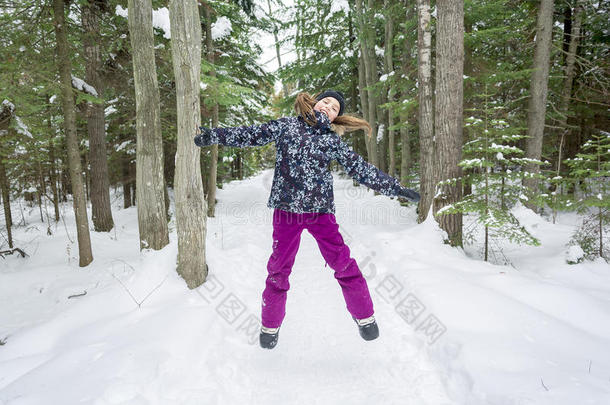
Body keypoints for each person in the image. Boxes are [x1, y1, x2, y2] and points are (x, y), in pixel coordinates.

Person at [194, 90, 420, 349]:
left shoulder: (331, 140)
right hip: (286, 212)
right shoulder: (287, 126)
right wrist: (213, 136)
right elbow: (251, 135)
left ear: (336, 117)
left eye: (335, 108)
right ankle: (270, 326)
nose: (329, 107)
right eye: (326, 102)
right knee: (279, 270)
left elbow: (360, 168)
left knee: (344, 264)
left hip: (320, 213)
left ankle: (365, 317)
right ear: (315, 102)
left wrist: (396, 188)